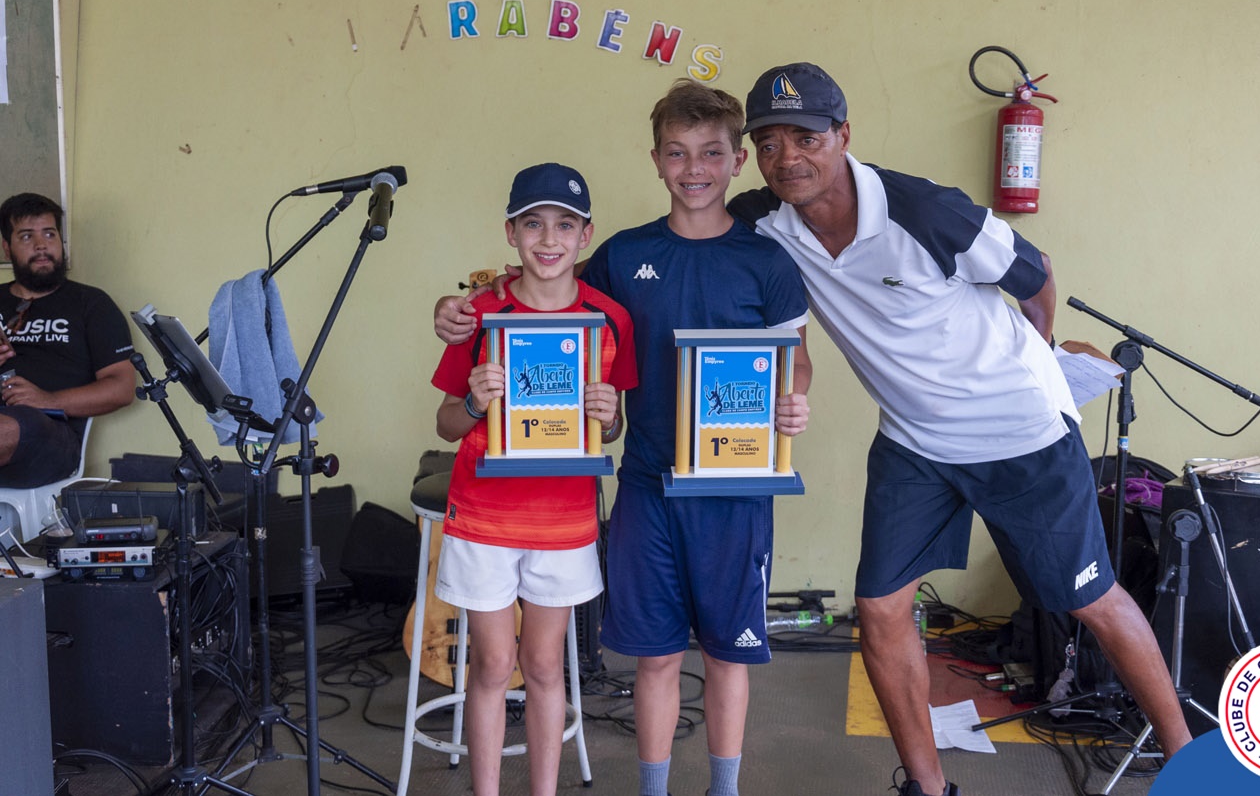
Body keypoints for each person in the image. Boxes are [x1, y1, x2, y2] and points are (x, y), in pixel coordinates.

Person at [728, 62, 1192, 796]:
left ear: (843, 135)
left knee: (1090, 598)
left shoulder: (925, 211)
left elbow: (1036, 276)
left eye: (806, 138)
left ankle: (1188, 759)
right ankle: (927, 785)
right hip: (915, 442)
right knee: (881, 608)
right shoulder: (764, 219)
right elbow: (684, 232)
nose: (787, 157)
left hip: (1021, 436)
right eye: (769, 142)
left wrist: (1039, 355)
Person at [435, 81, 814, 796]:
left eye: (711, 153)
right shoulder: (622, 254)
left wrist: (791, 403)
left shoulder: (766, 261)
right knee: (655, 655)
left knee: (728, 654)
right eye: (677, 152)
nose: (694, 168)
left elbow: (795, 362)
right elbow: (538, 291)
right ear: (656, 159)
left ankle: (725, 787)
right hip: (645, 483)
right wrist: (454, 308)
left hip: (735, 489)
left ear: (737, 162)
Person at [431, 163, 638, 796]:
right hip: (483, 517)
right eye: (533, 224)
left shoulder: (611, 319)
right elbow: (445, 423)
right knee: (494, 665)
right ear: (511, 232)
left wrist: (608, 418)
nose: (549, 239)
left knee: (546, 666)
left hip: (563, 522)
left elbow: (609, 430)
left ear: (586, 235)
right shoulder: (478, 314)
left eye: (565, 225)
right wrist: (475, 403)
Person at [0, 192, 135, 488]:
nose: (41, 245)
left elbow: (123, 387)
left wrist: (48, 400)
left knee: (12, 427)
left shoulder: (91, 303)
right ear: (7, 248)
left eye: (49, 234)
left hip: (49, 436)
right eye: (27, 236)